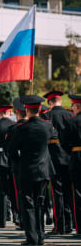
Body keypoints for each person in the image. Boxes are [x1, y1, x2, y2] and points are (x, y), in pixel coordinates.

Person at [8, 95, 56, 246]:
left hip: (27, 169)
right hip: (43, 169)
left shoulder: (22, 128)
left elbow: (11, 151)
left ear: (26, 110)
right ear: (40, 109)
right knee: (40, 203)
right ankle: (41, 235)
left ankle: (32, 236)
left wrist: (19, 161)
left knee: (28, 204)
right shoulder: (48, 126)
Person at [42, 91, 73, 234]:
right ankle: (70, 223)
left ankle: (59, 225)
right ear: (60, 101)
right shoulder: (69, 114)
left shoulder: (47, 115)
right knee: (69, 191)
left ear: (49, 102)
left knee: (57, 192)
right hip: (69, 156)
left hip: (53, 156)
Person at [5, 97, 28, 229]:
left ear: (17, 113)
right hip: (34, 164)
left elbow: (9, 149)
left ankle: (20, 219)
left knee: (18, 193)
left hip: (17, 165)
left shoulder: (13, 129)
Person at [61, 94, 81, 236]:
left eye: (73, 106)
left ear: (77, 107)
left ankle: (79, 228)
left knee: (78, 194)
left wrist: (73, 150)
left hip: (77, 157)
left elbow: (64, 142)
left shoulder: (71, 122)